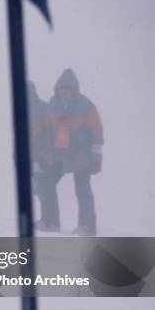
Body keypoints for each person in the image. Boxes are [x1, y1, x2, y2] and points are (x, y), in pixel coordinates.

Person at [37, 68, 104, 236]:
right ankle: (50, 221)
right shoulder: (53, 105)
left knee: (82, 189)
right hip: (60, 155)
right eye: (62, 89)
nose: (65, 92)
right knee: (46, 183)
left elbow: (97, 132)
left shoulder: (86, 106)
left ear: (75, 90)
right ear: (58, 89)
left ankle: (87, 227)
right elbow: (48, 132)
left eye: (69, 89)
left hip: (81, 156)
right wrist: (44, 154)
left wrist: (96, 158)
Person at [26, 81, 52, 211]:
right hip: (29, 154)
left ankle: (48, 218)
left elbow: (51, 133)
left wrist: (45, 152)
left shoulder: (44, 107)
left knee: (43, 185)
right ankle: (46, 217)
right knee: (36, 183)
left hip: (41, 154)